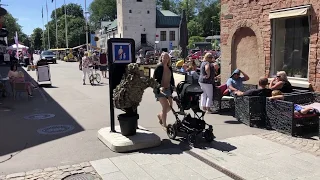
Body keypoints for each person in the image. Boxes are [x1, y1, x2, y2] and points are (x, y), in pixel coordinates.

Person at [153, 52, 175, 129]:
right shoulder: (159, 67)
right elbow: (155, 79)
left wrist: (174, 86)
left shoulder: (170, 68)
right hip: (160, 90)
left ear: (169, 59)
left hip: (168, 89)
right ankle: (164, 125)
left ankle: (160, 115)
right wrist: (159, 87)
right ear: (161, 58)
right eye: (164, 57)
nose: (165, 59)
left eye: (167, 58)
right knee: (165, 106)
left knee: (171, 106)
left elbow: (172, 79)